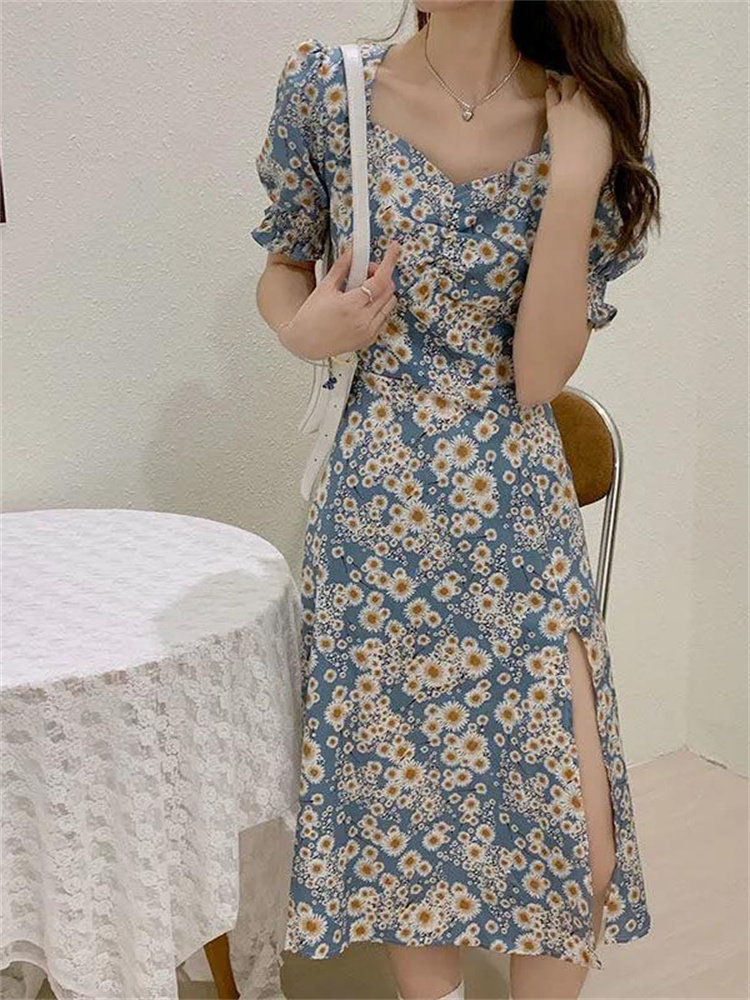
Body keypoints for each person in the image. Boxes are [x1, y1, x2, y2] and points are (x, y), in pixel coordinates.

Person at [251, 3, 661, 998]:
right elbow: (282, 272)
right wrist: (307, 333)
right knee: (409, 845)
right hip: (379, 512)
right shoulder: (330, 90)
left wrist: (574, 179)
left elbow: (540, 375)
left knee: (579, 854)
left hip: (517, 505)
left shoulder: (579, 113)